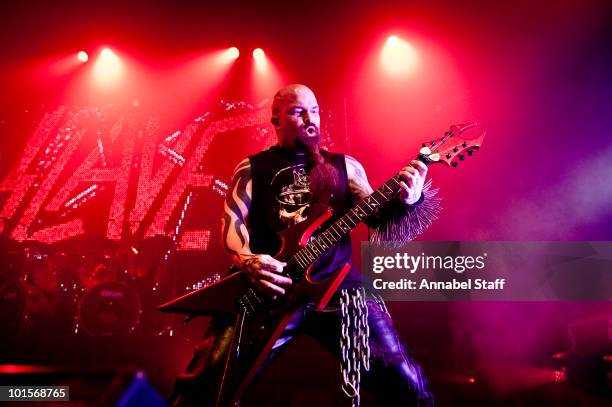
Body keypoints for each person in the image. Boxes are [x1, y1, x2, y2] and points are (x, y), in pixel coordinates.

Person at [171, 84, 440, 406]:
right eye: (297, 111)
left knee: (405, 382)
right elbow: (232, 224)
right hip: (270, 288)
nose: (309, 118)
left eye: (313, 111)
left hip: (340, 289)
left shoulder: (345, 167)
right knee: (208, 383)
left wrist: (410, 200)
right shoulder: (252, 169)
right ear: (275, 120)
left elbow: (380, 222)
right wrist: (249, 260)